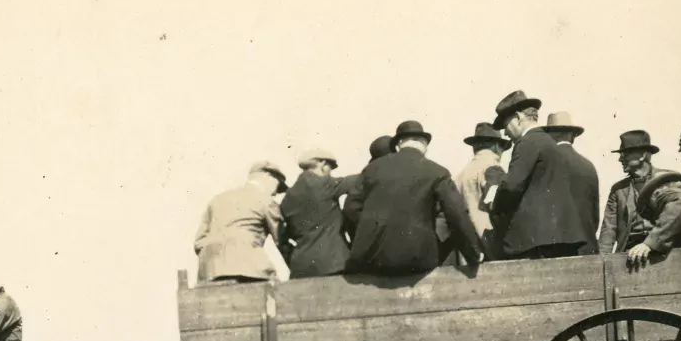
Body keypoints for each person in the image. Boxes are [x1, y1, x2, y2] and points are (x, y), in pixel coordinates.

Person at [342, 120, 481, 275]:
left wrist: (371, 234)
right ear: (425, 145)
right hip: (416, 261)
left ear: (399, 143)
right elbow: (457, 215)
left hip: (372, 260)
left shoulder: (371, 169)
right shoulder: (438, 171)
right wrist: (474, 255)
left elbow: (350, 208)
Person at [489, 90, 595, 259]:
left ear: (518, 117)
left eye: (505, 124)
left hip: (536, 243)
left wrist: (494, 206)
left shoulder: (527, 142)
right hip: (561, 239)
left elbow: (511, 186)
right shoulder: (548, 143)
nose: (505, 133)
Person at [194, 161, 288, 284]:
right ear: (267, 177)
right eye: (278, 186)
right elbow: (281, 240)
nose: (276, 193)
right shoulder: (266, 200)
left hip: (208, 271)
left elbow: (198, 242)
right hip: (247, 269)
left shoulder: (218, 199)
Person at [277, 149, 362, 278]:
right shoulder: (325, 184)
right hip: (333, 264)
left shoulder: (288, 197)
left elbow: (283, 238)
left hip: (300, 267)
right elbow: (361, 179)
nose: (330, 172)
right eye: (330, 168)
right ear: (322, 164)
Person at [543, 111, 601, 255]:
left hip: (556, 251)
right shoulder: (588, 166)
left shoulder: (544, 164)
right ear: (572, 135)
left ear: (549, 136)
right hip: (587, 248)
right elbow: (594, 216)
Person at [599, 130, 663, 254]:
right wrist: (602, 262)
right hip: (628, 253)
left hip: (661, 252)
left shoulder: (665, 181)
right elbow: (609, 229)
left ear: (643, 155)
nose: (620, 159)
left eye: (625, 154)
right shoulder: (618, 190)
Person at [453, 122, 511, 262]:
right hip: (490, 248)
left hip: (466, 251)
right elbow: (501, 208)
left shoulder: (461, 175)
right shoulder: (492, 168)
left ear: (475, 147)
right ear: (497, 146)